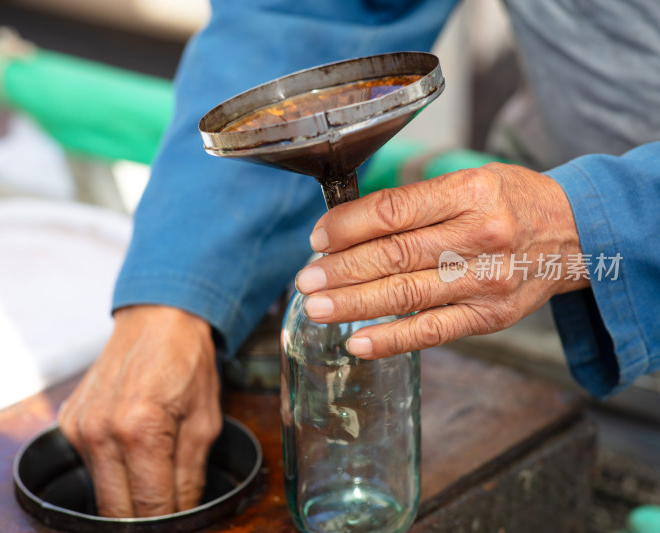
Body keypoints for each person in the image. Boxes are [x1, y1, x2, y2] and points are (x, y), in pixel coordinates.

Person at [58, 0, 660, 518]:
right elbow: (309, 13)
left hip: (565, 258)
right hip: (543, 299)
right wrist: (177, 291)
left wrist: (600, 222)